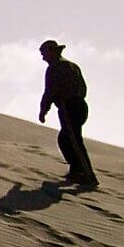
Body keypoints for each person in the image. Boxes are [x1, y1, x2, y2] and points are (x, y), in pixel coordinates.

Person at [37, 40, 97, 189]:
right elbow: (83, 87)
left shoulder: (56, 68)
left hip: (69, 106)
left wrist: (44, 110)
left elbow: (50, 91)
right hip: (79, 105)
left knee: (73, 140)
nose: (43, 58)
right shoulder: (72, 66)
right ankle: (77, 170)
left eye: (44, 54)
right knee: (65, 139)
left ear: (53, 52)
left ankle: (88, 175)